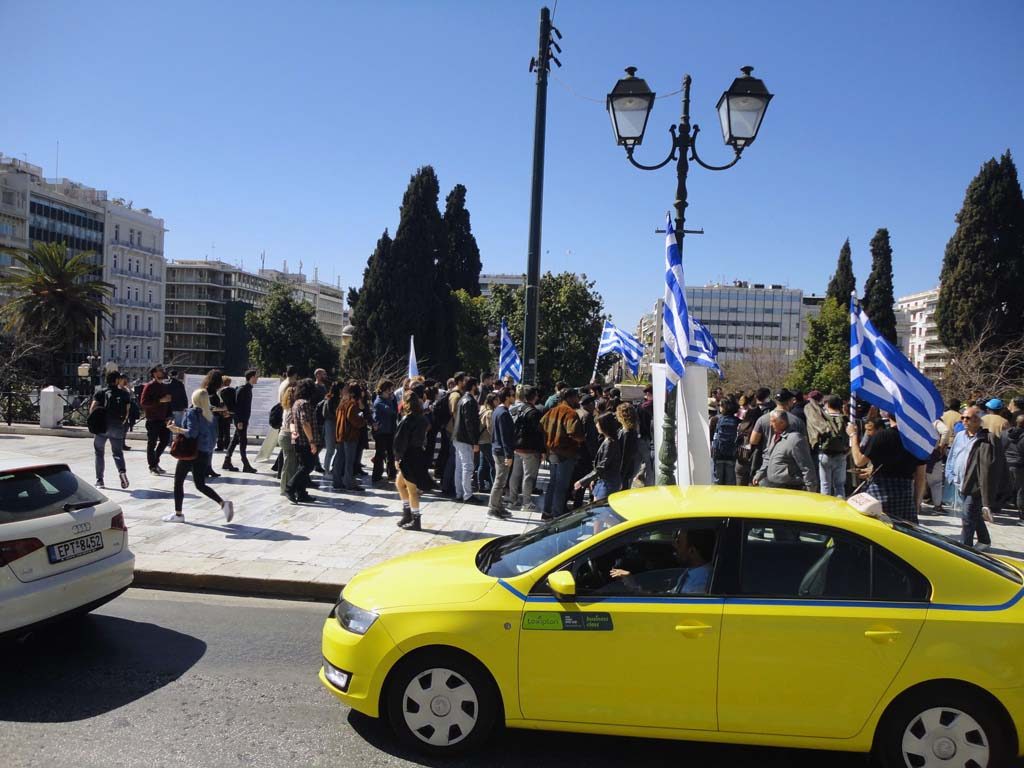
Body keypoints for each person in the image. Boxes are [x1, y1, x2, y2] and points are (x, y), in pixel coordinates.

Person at [164, 389, 234, 524]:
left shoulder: (192, 413)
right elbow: (213, 435)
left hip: (190, 451)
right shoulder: (210, 414)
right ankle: (223, 503)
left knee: (178, 481)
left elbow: (192, 433)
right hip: (204, 452)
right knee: (200, 484)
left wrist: (176, 429)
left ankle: (178, 514)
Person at [946, 406, 1005, 549]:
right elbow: (953, 455)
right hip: (960, 481)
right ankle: (984, 540)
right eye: (963, 417)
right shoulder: (960, 435)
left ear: (978, 421)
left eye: (968, 418)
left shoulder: (986, 439)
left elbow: (994, 464)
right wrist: (949, 474)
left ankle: (964, 548)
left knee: (967, 516)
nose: (964, 420)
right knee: (973, 513)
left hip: (976, 484)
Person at [848, 414, 926, 523]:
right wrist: (917, 503)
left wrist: (853, 435)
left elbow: (859, 461)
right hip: (905, 494)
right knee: (903, 533)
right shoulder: (918, 440)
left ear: (888, 415)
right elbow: (921, 476)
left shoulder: (882, 435)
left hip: (881, 490)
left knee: (878, 530)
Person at [609, 528, 716, 595]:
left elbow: (675, 608)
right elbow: (669, 597)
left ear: (692, 551)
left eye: (678, 542)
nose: (674, 545)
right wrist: (634, 586)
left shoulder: (699, 583)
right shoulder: (693, 572)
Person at [540, 388, 585, 519]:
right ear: (570, 398)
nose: (578, 400)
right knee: (561, 485)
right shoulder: (570, 413)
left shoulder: (552, 411)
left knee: (553, 483)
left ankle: (547, 511)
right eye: (577, 397)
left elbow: (541, 426)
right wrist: (581, 439)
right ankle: (557, 515)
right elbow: (575, 433)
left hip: (552, 453)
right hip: (565, 454)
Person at [753, 410, 818, 492]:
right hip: (772, 484)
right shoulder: (776, 437)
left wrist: (811, 488)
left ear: (782, 423)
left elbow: (806, 466)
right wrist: (759, 474)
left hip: (788, 487)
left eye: (773, 422)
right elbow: (768, 458)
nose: (770, 425)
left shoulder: (795, 439)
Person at [394, 389, 431, 530]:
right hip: (417, 453)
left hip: (409, 456)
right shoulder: (422, 419)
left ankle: (416, 520)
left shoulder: (407, 420)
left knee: (412, 490)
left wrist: (397, 457)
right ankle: (407, 513)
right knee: (399, 483)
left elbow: (400, 440)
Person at [90, 371, 132, 490]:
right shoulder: (124, 394)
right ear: (117, 380)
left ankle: (100, 480)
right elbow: (127, 411)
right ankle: (122, 471)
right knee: (117, 453)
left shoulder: (100, 392)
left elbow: (92, 409)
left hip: (102, 427)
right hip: (117, 426)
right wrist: (122, 423)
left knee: (99, 452)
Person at [508, 385, 544, 512]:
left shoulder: (517, 409)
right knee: (528, 476)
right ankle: (527, 503)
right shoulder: (534, 412)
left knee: (515, 474)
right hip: (530, 449)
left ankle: (512, 500)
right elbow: (539, 433)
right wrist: (543, 450)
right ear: (534, 397)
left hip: (517, 447)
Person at [574, 412, 624, 501]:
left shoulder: (610, 443)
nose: (596, 425)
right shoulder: (607, 440)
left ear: (604, 425)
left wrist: (582, 481)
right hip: (604, 482)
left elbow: (601, 467)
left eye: (598, 423)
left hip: (608, 483)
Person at [285, 378, 318, 504]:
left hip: (298, 440)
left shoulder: (296, 403)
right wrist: (312, 441)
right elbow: (305, 422)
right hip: (305, 441)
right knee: (307, 466)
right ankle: (290, 487)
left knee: (303, 465)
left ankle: (302, 493)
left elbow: (291, 421)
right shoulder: (304, 404)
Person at [452, 376, 482, 504]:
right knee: (467, 467)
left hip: (458, 437)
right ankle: (467, 495)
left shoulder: (463, 399)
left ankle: (460, 493)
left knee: (460, 467)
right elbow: (470, 423)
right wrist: (474, 441)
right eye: (477, 385)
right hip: (465, 439)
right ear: (474, 386)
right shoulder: (469, 401)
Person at [488, 387, 516, 520]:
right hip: (501, 452)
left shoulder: (498, 411)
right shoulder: (503, 413)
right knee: (500, 481)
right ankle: (493, 509)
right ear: (507, 397)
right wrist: (508, 456)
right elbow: (505, 436)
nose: (514, 397)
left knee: (501, 480)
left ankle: (498, 506)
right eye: (512, 395)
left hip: (497, 449)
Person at [140, 365, 173, 475]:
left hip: (163, 419)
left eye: (162, 370)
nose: (162, 372)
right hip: (152, 419)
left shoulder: (164, 386)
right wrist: (160, 401)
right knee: (152, 443)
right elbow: (144, 403)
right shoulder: (149, 386)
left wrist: (169, 416)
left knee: (165, 441)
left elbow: (168, 403)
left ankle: (155, 461)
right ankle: (152, 466)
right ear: (154, 373)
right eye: (160, 371)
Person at [334, 382, 367, 491]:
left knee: (339, 459)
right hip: (350, 436)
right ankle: (349, 483)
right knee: (349, 460)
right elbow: (355, 420)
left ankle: (337, 481)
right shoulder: (353, 404)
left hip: (340, 434)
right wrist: (363, 421)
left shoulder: (342, 403)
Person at [815, 395, 850, 498]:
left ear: (827, 404)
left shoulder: (822, 418)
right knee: (839, 486)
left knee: (825, 484)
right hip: (840, 454)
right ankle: (840, 508)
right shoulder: (845, 419)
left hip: (824, 454)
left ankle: (825, 510)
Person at [224, 369, 258, 473]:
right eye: (256, 377)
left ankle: (227, 460)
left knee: (235, 440)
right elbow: (237, 407)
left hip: (243, 420)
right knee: (243, 441)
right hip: (241, 420)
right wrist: (239, 421)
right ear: (251, 377)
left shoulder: (248, 389)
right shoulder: (243, 389)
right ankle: (245, 464)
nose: (257, 379)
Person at [370, 379, 398, 484]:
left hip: (390, 430)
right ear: (385, 389)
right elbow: (391, 411)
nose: (392, 391)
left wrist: (393, 400)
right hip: (381, 432)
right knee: (380, 454)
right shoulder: (379, 401)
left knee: (391, 454)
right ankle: (376, 476)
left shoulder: (389, 399)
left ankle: (392, 474)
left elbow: (395, 411)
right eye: (390, 389)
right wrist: (391, 400)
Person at [711, 398, 740, 486]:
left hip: (718, 452)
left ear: (724, 407)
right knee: (730, 480)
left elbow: (711, 436)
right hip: (731, 453)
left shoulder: (716, 419)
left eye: (720, 405)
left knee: (717, 480)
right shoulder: (737, 420)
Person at [319, 381, 344, 479]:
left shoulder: (340, 399)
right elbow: (328, 414)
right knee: (330, 450)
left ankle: (334, 468)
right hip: (331, 425)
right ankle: (326, 471)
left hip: (337, 425)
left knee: (338, 449)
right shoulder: (330, 399)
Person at [1003, 414, 1024, 520]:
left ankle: (998, 506)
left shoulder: (1006, 433)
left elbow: (1001, 446)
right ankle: (1021, 514)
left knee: (1005, 486)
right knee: (1021, 490)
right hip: (1019, 465)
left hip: (1006, 463)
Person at [278, 385, 298, 496]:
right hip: (288, 435)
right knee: (289, 463)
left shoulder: (286, 408)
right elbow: (292, 426)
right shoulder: (292, 410)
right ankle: (286, 488)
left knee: (288, 462)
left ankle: (286, 487)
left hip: (283, 434)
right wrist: (295, 440)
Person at [477, 392, 498, 494]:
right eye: (496, 400)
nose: (498, 402)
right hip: (487, 441)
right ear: (492, 401)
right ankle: (494, 485)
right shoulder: (489, 412)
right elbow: (490, 428)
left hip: (481, 440)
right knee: (493, 464)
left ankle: (481, 485)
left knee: (482, 464)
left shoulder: (482, 409)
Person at [616, 403, 641, 490]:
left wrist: (620, 475)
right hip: (626, 470)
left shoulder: (627, 432)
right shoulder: (628, 430)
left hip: (624, 472)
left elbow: (625, 456)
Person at [634, 386, 655, 487]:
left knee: (643, 462)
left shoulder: (640, 406)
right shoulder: (654, 406)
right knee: (650, 464)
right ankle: (648, 485)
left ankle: (639, 475)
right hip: (649, 438)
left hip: (642, 437)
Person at [217, 376, 236, 451]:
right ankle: (227, 445)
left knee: (220, 430)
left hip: (221, 412)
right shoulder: (232, 390)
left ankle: (220, 445)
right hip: (230, 412)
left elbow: (219, 402)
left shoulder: (220, 391)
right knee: (227, 430)